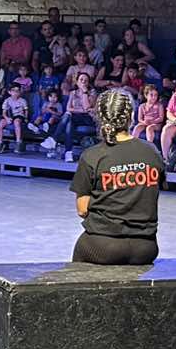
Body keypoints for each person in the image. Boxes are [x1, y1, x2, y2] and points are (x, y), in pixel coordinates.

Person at [69, 90, 165, 266]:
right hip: (146, 247)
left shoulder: (92, 155)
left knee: (81, 251)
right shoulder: (152, 151)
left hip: (103, 245)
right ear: (131, 116)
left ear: (100, 117)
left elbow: (82, 210)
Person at [0, 82, 29, 153]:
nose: (15, 93)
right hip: (10, 116)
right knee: (0, 125)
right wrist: (7, 118)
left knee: (16, 122)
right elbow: (4, 113)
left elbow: (26, 110)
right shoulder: (7, 100)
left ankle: (18, 143)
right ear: (9, 92)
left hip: (19, 116)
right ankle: (0, 144)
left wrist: (26, 118)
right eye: (13, 90)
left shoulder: (23, 101)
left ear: (20, 92)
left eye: (17, 91)